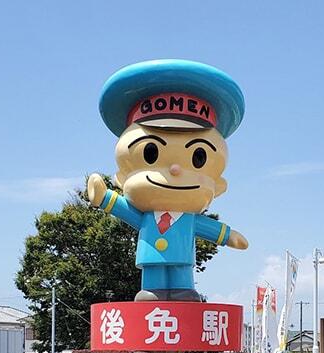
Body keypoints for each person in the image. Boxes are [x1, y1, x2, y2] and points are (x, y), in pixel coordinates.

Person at [87, 60, 248, 301]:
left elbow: (208, 228)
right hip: (150, 260)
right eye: (151, 153)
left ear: (217, 184)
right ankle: (153, 291)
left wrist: (228, 235)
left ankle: (184, 289)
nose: (174, 169)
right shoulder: (145, 217)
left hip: (183, 258)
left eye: (198, 157)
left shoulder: (190, 220)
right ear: (123, 176)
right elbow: (123, 208)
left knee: (181, 275)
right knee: (153, 282)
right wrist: (103, 197)